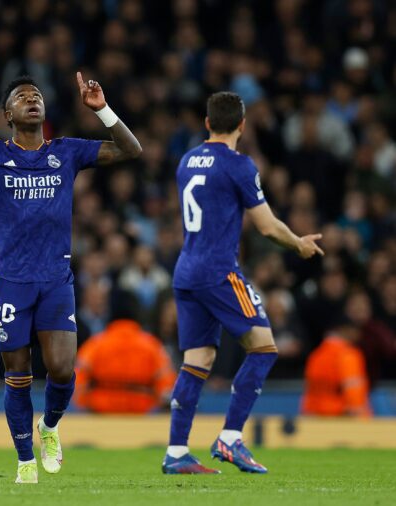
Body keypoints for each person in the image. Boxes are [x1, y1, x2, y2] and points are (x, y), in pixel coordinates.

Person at [0, 71, 141, 483]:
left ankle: (51, 426)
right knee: (17, 372)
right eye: (22, 97)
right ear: (8, 114)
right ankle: (25, 460)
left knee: (61, 369)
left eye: (36, 95)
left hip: (56, 277)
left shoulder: (67, 152)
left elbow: (131, 150)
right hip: (10, 279)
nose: (31, 100)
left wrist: (103, 110)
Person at [163, 92, 324, 475]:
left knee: (197, 360)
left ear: (206, 123)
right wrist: (298, 243)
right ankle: (231, 438)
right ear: (242, 125)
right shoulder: (239, 165)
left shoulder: (186, 160)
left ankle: (176, 451)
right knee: (265, 347)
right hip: (218, 271)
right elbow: (267, 226)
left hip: (186, 270)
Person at [74, 291, 175, 414]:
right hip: (140, 416)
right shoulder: (152, 346)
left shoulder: (95, 344)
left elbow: (78, 381)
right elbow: (166, 387)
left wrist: (86, 404)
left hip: (101, 415)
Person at [301, 318, 371, 417]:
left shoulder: (316, 355)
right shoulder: (347, 354)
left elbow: (309, 387)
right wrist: (361, 416)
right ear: (346, 330)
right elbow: (353, 387)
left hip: (315, 414)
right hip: (340, 414)